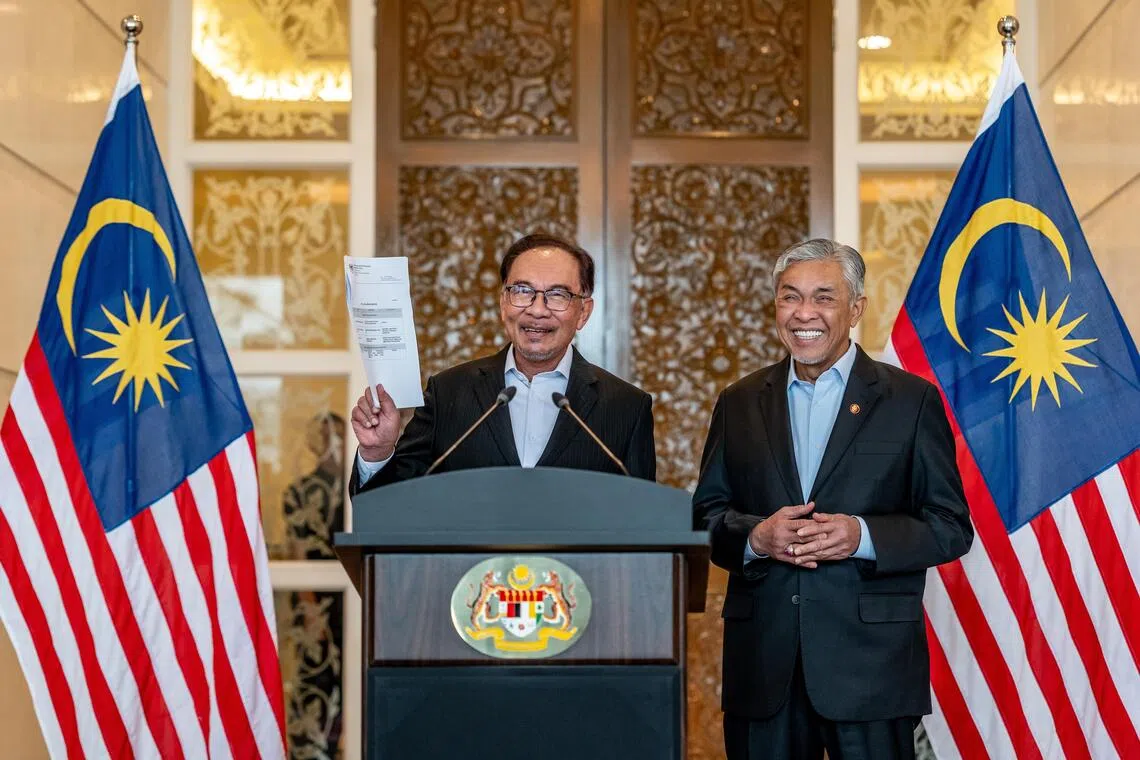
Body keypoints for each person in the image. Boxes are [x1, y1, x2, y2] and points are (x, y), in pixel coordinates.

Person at [692, 239, 973, 760]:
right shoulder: (738, 402)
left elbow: (950, 525)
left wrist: (861, 537)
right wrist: (755, 537)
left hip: (871, 671)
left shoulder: (912, 401)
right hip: (764, 668)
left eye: (823, 298)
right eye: (789, 297)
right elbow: (706, 517)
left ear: (856, 308)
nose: (804, 313)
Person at [350, 233, 656, 494]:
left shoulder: (626, 408)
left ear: (583, 313)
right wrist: (377, 452)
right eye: (522, 291)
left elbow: (642, 521)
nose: (537, 310)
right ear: (502, 303)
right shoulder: (448, 394)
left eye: (557, 295)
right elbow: (394, 509)